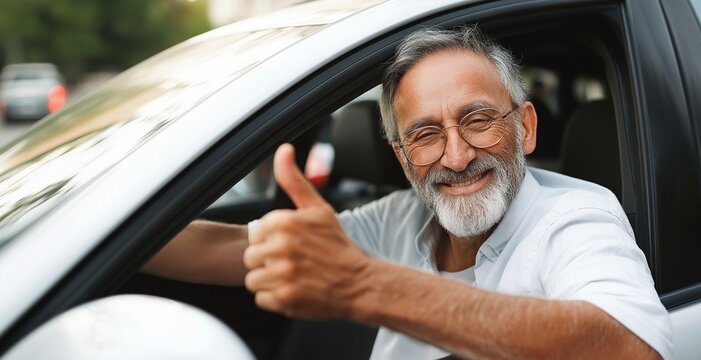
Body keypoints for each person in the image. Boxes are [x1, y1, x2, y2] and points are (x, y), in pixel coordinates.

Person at [144, 26, 672, 359]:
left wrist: (364, 286)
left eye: (478, 120)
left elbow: (631, 348)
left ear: (525, 128)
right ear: (401, 159)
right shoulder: (398, 218)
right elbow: (220, 249)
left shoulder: (575, 217)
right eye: (425, 135)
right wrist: (84, 230)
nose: (457, 155)